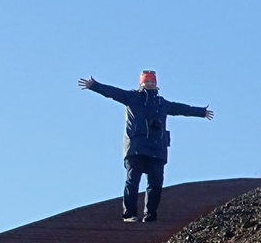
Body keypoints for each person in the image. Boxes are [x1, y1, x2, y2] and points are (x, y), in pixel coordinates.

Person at [78, 71, 213, 222]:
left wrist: (201, 112)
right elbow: (112, 92)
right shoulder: (132, 97)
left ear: (156, 84)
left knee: (156, 183)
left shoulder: (162, 103)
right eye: (146, 81)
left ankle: (150, 216)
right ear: (141, 83)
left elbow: (182, 109)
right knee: (132, 180)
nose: (150, 84)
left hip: (157, 148)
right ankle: (130, 214)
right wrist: (94, 86)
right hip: (136, 146)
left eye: (152, 82)